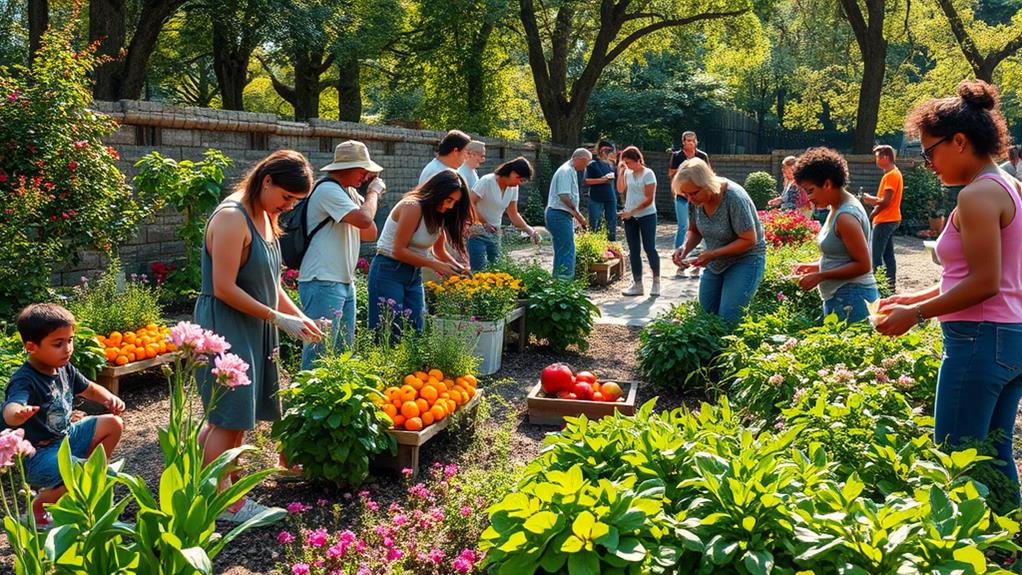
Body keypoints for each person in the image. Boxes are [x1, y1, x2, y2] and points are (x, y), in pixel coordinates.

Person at [877, 80, 1022, 505]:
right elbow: (979, 275)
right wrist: (913, 298)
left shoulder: (978, 195)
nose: (928, 163)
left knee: (954, 457)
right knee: (995, 455)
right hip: (1008, 337)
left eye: (929, 151)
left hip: (978, 341)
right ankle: (1008, 549)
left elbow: (984, 283)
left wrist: (917, 316)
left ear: (959, 141)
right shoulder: (1008, 186)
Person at [195, 150, 324, 523]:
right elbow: (222, 287)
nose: (288, 207)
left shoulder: (265, 215)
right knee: (230, 416)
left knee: (233, 416)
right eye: (286, 198)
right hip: (226, 324)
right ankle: (225, 504)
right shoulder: (233, 218)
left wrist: (300, 318)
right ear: (266, 181)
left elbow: (272, 282)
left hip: (255, 323)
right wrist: (277, 318)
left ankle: (213, 487)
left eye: (295, 202)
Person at [2, 303, 125, 527]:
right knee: (78, 470)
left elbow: (88, 389)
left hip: (67, 438)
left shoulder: (64, 368)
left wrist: (108, 398)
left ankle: (87, 480)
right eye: (58, 344)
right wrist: (18, 413)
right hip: (38, 456)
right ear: (31, 346)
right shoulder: (25, 379)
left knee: (113, 424)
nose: (67, 348)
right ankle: (39, 506)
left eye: (70, 340)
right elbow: (10, 408)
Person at [298, 141, 384, 369]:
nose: (366, 177)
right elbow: (365, 220)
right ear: (346, 167)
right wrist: (373, 194)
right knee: (319, 353)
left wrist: (364, 200)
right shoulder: (327, 189)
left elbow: (369, 233)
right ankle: (306, 401)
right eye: (362, 170)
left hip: (344, 282)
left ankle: (333, 405)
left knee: (342, 352)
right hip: (322, 280)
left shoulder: (349, 193)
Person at [369, 170, 472, 332]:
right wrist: (435, 265)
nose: (450, 206)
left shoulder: (438, 213)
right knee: (388, 330)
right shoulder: (412, 206)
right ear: (437, 192)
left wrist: (457, 268)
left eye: (454, 203)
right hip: (388, 269)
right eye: (449, 200)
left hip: (413, 274)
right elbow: (398, 250)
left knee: (416, 328)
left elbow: (439, 250)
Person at [672, 158, 766, 323]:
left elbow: (749, 240)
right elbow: (694, 230)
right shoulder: (695, 200)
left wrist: (713, 254)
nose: (690, 199)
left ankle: (728, 348)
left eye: (693, 193)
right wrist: (684, 249)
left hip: (746, 260)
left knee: (729, 318)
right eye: (685, 194)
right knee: (706, 316)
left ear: (707, 183)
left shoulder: (734, 198)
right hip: (715, 262)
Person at [790, 148, 878, 322]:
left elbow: (863, 265)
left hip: (852, 297)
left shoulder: (845, 216)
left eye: (810, 191)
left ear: (828, 184)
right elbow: (843, 257)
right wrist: (814, 267)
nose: (808, 198)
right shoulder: (836, 207)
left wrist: (821, 276)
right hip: (843, 296)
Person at [467, 157, 541, 271]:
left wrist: (531, 231)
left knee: (497, 269)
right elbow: (469, 203)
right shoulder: (487, 181)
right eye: (519, 178)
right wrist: (484, 223)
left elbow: (513, 214)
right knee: (478, 271)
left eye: (522, 181)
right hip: (476, 233)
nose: (519, 183)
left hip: (495, 233)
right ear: (512, 173)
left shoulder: (513, 188)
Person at [616, 146, 660, 297]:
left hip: (647, 215)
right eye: (625, 163)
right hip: (630, 217)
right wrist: (621, 172)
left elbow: (649, 199)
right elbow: (620, 189)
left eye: (629, 162)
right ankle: (638, 283)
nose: (627, 165)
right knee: (633, 250)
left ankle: (656, 281)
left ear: (638, 160)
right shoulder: (627, 172)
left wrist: (631, 212)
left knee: (649, 248)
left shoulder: (648, 174)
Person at [545, 148, 591, 279]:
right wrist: (578, 215)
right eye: (586, 162)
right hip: (559, 214)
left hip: (561, 214)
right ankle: (565, 284)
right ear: (580, 159)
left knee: (563, 249)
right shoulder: (566, 171)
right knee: (567, 250)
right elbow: (564, 196)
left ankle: (559, 283)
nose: (586, 166)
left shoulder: (570, 170)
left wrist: (576, 216)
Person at [863, 144, 903, 290]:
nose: (876, 160)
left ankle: (878, 286)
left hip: (885, 220)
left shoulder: (891, 175)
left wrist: (869, 200)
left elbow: (885, 201)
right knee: (888, 255)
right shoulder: (893, 173)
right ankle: (890, 286)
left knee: (876, 256)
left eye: (877, 157)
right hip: (891, 219)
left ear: (886, 157)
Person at [583, 140, 618, 240]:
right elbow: (586, 181)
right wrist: (603, 180)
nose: (613, 154)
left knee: (611, 222)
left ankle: (612, 245)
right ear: (603, 151)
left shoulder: (611, 165)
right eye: (610, 151)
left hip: (610, 198)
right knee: (594, 223)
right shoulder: (592, 164)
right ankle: (595, 244)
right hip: (596, 198)